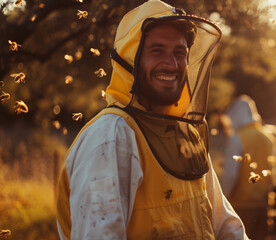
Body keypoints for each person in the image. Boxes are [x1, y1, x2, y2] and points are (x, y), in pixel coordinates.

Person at [56, 0, 248, 239]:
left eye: (180, 53)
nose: (172, 63)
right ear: (129, 60)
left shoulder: (185, 135)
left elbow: (225, 224)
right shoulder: (111, 137)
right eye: (157, 51)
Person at [220, 95, 276, 240]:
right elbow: (273, 173)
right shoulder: (268, 137)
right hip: (263, 206)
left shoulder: (237, 138)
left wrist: (222, 202)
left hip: (240, 207)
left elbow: (230, 175)